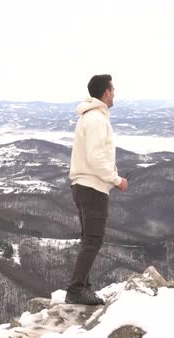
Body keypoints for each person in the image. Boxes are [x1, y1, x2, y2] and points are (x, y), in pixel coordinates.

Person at [66, 74, 128, 305]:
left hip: (85, 185)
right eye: (113, 89)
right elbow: (94, 157)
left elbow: (95, 155)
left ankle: (83, 286)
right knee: (93, 240)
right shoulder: (97, 119)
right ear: (105, 92)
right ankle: (76, 290)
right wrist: (116, 179)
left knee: (88, 239)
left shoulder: (90, 117)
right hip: (92, 187)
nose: (114, 93)